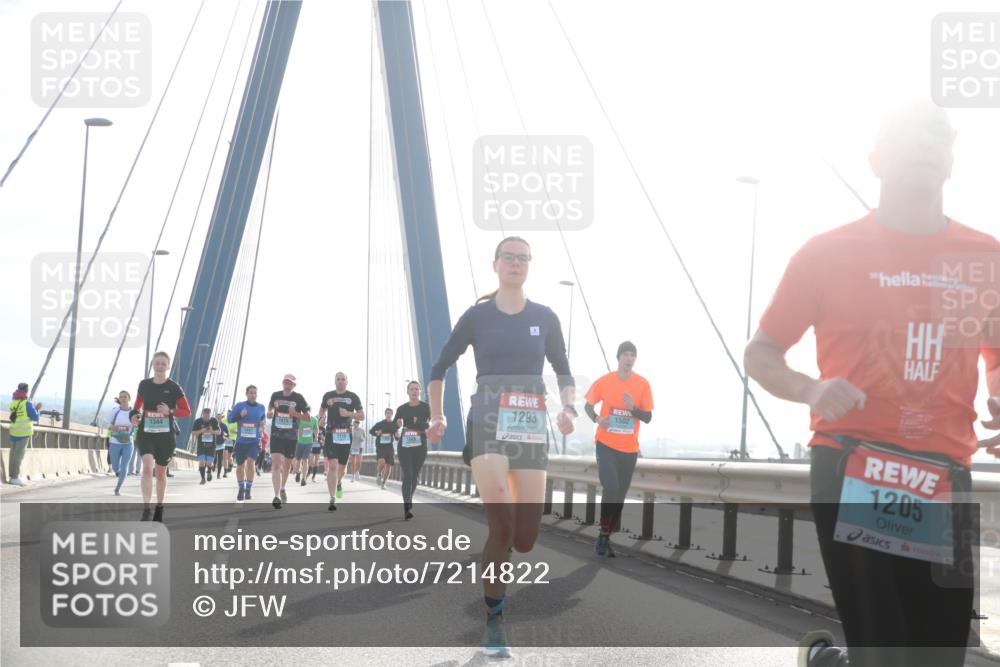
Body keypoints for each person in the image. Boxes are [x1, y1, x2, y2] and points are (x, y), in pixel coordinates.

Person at [744, 101, 1000, 667]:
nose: (925, 145)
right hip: (854, 463)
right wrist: (811, 389)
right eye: (908, 136)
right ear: (876, 160)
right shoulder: (827, 252)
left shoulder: (986, 257)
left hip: (944, 476)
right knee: (886, 648)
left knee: (938, 657)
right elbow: (761, 353)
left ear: (952, 160)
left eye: (938, 136)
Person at [427, 236, 576, 658]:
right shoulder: (477, 317)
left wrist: (568, 408)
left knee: (525, 538)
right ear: (495, 264)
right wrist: (438, 416)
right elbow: (439, 367)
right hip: (488, 423)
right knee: (502, 527)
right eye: (508, 256)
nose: (515, 262)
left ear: (529, 265)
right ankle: (494, 622)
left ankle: (503, 555)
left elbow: (563, 369)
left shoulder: (545, 317)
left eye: (522, 257)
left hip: (529, 428)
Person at [584, 341, 654, 557]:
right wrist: (597, 419)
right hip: (606, 444)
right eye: (625, 354)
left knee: (620, 495)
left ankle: (606, 535)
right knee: (611, 487)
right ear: (618, 358)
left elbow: (648, 417)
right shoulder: (605, 381)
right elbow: (588, 405)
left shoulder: (642, 384)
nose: (629, 358)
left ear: (635, 359)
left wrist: (633, 408)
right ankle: (603, 535)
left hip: (629, 449)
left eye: (632, 355)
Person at [130, 351, 191, 521]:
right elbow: (136, 407)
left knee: (161, 473)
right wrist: (134, 416)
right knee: (147, 468)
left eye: (163, 363)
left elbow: (187, 411)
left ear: (168, 366)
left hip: (165, 437)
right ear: (153, 364)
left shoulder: (174, 387)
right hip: (146, 433)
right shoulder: (144, 385)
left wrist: (169, 411)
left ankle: (160, 506)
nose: (160, 366)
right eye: (157, 363)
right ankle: (146, 508)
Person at [317, 372, 364, 511]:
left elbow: (362, 416)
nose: (341, 381)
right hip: (331, 434)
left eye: (343, 379)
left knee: (342, 469)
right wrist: (321, 418)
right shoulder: (328, 395)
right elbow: (322, 409)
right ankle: (332, 499)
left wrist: (348, 414)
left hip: (346, 436)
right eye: (338, 379)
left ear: (347, 381)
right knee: (332, 466)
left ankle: (339, 482)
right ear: (335, 381)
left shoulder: (353, 397)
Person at [266, 374, 310, 509]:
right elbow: (270, 407)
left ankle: (283, 487)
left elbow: (307, 418)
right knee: (276, 464)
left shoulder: (299, 398)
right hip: (276, 434)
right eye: (286, 382)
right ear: (282, 383)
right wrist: (270, 412)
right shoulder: (275, 395)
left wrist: (295, 414)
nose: (288, 384)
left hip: (291, 437)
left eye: (290, 383)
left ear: (294, 385)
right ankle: (276, 496)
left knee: (286, 466)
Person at [394, 381, 431, 520]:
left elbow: (431, 424)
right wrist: (397, 425)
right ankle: (407, 507)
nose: (414, 391)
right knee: (408, 475)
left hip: (420, 445)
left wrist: (418, 423)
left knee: (414, 476)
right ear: (407, 392)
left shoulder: (426, 407)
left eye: (416, 389)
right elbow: (395, 425)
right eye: (411, 389)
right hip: (405, 445)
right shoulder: (402, 408)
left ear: (420, 391)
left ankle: (409, 499)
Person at [229, 385, 267, 502]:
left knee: (251, 463)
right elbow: (230, 419)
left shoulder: (261, 407)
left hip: (254, 442)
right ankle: (241, 488)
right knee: (240, 466)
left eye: (255, 393)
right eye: (251, 392)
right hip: (241, 442)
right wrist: (240, 415)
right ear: (246, 394)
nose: (253, 395)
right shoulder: (239, 406)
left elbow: (262, 421)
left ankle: (248, 488)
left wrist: (261, 427)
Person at [6, 382, 41, 486]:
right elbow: (35, 417)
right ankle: (15, 477)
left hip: (14, 432)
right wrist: (37, 409)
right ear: (26, 391)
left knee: (13, 455)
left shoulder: (13, 402)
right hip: (23, 433)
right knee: (18, 456)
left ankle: (12, 476)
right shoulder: (26, 403)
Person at [105, 390, 136, 496]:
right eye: (121, 397)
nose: (123, 399)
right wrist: (113, 428)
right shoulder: (115, 411)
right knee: (115, 467)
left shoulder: (134, 412)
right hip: (115, 442)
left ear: (129, 398)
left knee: (124, 467)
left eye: (125, 397)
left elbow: (138, 425)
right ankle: (117, 471)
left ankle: (117, 488)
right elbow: (108, 425)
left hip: (128, 443)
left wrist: (135, 427)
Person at [192, 408, 221, 485]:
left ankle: (209, 471)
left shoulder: (214, 421)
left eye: (208, 415)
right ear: (202, 414)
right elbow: (193, 433)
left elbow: (219, 432)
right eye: (205, 415)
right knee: (201, 462)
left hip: (211, 446)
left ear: (210, 414)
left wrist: (212, 431)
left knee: (209, 463)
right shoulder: (198, 421)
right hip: (201, 445)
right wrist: (201, 431)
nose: (206, 417)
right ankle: (203, 479)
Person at [370, 408, 397, 488]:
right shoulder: (380, 424)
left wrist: (397, 436)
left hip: (389, 447)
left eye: (390, 413)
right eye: (387, 413)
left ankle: (384, 483)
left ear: (392, 415)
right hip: (380, 446)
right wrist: (377, 433)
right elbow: (371, 431)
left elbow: (396, 437)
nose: (389, 415)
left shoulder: (394, 425)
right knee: (382, 462)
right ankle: (379, 473)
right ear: (385, 414)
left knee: (388, 466)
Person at [295, 412, 319, 487]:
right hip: (300, 442)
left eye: (308, 411)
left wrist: (316, 437)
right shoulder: (300, 418)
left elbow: (316, 429)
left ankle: (304, 479)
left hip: (309, 443)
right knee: (298, 460)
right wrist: (299, 432)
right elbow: (296, 428)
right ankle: (298, 472)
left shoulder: (314, 419)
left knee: (305, 460)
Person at [213, 412, 229, 479]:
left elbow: (228, 434)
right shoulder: (213, 425)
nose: (218, 418)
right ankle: (212, 468)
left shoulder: (224, 425)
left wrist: (225, 434)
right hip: (213, 444)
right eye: (217, 417)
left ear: (221, 418)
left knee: (220, 460)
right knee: (213, 458)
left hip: (221, 444)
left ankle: (218, 474)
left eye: (219, 417)